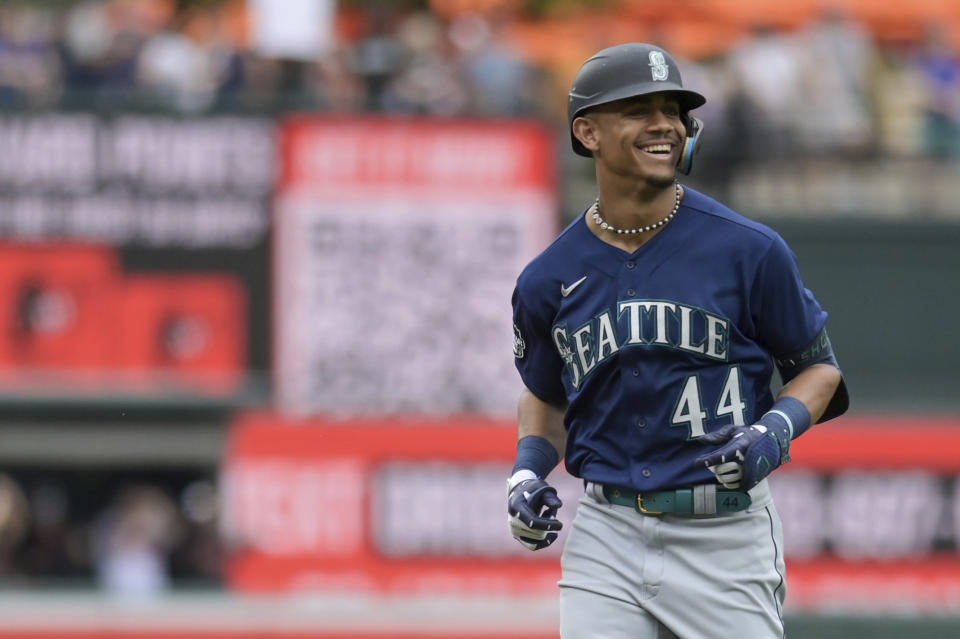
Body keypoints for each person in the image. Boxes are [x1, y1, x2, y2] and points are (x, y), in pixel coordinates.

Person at [507, 43, 848, 639]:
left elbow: (820, 372)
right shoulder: (547, 277)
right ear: (587, 132)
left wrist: (773, 431)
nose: (664, 123)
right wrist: (527, 474)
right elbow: (546, 393)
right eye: (639, 109)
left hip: (724, 536)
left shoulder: (749, 249)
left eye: (674, 110)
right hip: (606, 532)